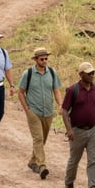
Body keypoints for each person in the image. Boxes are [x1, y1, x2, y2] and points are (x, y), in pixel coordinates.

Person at [18, 47, 63, 180]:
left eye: (46, 59)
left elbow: (56, 91)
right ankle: (42, 165)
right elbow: (20, 92)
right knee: (38, 138)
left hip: (48, 112)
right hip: (33, 111)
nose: (44, 61)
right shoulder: (28, 74)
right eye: (42, 59)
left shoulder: (52, 73)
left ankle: (33, 161)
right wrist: (27, 109)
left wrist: (61, 104)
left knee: (42, 139)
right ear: (36, 60)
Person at [61, 62, 95, 188]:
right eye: (88, 73)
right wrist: (69, 129)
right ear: (81, 75)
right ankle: (69, 182)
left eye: (93, 72)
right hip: (77, 130)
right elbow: (64, 111)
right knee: (74, 159)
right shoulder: (73, 90)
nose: (92, 75)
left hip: (93, 130)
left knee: (93, 160)